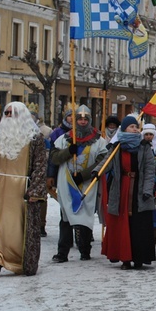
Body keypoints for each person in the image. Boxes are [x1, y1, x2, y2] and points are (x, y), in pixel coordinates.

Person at [0, 102, 47, 277]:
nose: (8, 117)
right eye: (6, 113)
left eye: (11, 113)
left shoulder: (35, 138)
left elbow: (40, 166)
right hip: (0, 188)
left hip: (22, 189)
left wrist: (35, 190)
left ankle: (19, 260)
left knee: (20, 227)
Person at [49, 104, 108, 262]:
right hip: (67, 184)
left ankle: (85, 250)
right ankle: (62, 252)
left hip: (87, 184)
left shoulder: (99, 141)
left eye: (85, 118)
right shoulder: (64, 139)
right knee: (66, 217)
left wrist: (84, 175)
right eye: (79, 118)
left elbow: (103, 160)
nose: (82, 121)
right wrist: (68, 152)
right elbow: (54, 158)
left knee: (85, 218)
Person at [98, 115, 156, 270]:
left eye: (136, 127)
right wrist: (97, 171)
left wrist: (147, 190)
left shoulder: (145, 147)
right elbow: (106, 163)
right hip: (122, 188)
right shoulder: (117, 147)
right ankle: (124, 258)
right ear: (124, 129)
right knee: (123, 222)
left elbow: (150, 171)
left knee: (139, 224)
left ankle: (139, 258)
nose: (135, 129)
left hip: (139, 188)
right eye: (131, 127)